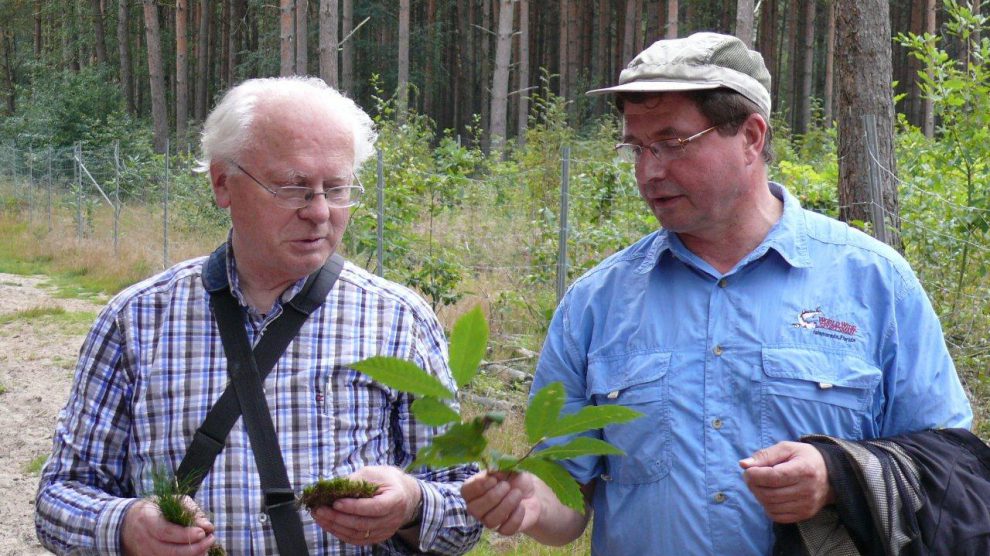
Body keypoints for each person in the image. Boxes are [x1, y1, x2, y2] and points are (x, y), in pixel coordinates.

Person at [461, 32, 973, 554]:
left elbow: (949, 473)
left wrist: (836, 475)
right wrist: (529, 502)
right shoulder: (596, 304)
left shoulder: (873, 282)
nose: (648, 171)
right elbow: (567, 499)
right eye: (636, 148)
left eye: (671, 143)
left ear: (751, 136)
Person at [36, 76, 482, 555]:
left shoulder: (399, 320)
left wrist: (413, 504)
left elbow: (466, 513)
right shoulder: (137, 319)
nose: (319, 212)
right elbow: (58, 497)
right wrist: (125, 525)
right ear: (223, 184)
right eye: (293, 188)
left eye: (336, 188)